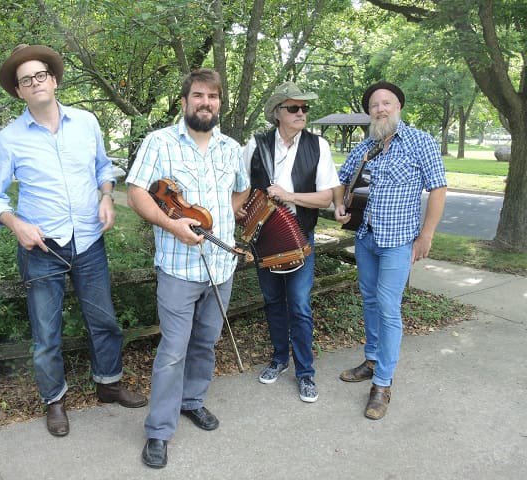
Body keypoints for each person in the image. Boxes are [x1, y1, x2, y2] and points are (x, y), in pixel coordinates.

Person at [0, 44, 147, 437]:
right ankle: (54, 399)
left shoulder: (86, 122)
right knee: (46, 334)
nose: (35, 83)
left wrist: (106, 195)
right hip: (42, 249)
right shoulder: (9, 139)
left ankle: (108, 383)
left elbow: (103, 168)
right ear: (19, 92)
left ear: (54, 81)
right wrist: (14, 222)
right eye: (26, 80)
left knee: (104, 321)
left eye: (41, 75)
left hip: (89, 242)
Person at [126, 68, 250, 469]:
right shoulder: (159, 142)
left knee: (205, 343)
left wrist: (223, 220)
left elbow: (242, 188)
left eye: (212, 97)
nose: (205, 103)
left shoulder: (231, 147)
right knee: (174, 351)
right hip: (178, 270)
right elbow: (136, 194)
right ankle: (159, 431)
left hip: (220, 266)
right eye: (198, 96)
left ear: (219, 104)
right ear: (184, 102)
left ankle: (192, 401)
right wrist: (171, 225)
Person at [332, 81, 447, 420]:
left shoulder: (419, 141)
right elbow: (342, 178)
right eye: (374, 105)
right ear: (369, 112)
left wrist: (426, 235)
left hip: (399, 241)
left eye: (387, 103)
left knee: (387, 305)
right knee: (369, 299)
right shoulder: (366, 145)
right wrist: (340, 205)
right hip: (366, 238)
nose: (380, 109)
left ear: (399, 107)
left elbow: (438, 189)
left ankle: (382, 383)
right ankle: (371, 360)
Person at [240, 82, 340, 403]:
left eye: (304, 108)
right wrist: (241, 208)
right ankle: (280, 359)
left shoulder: (318, 146)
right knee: (272, 301)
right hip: (264, 240)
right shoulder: (255, 146)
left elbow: (326, 197)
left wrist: (289, 196)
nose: (301, 113)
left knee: (299, 304)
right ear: (277, 113)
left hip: (299, 236)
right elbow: (240, 189)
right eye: (294, 108)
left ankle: (305, 372)